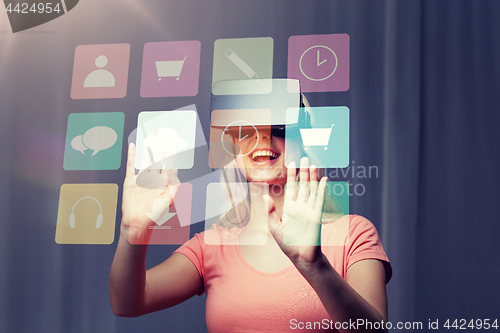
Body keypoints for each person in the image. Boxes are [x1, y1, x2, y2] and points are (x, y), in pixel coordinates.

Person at [110, 84, 391, 332]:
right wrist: (131, 232)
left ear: (305, 141)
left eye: (280, 127)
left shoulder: (353, 233)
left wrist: (315, 266)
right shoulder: (211, 245)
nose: (263, 138)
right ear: (233, 148)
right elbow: (127, 303)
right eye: (247, 129)